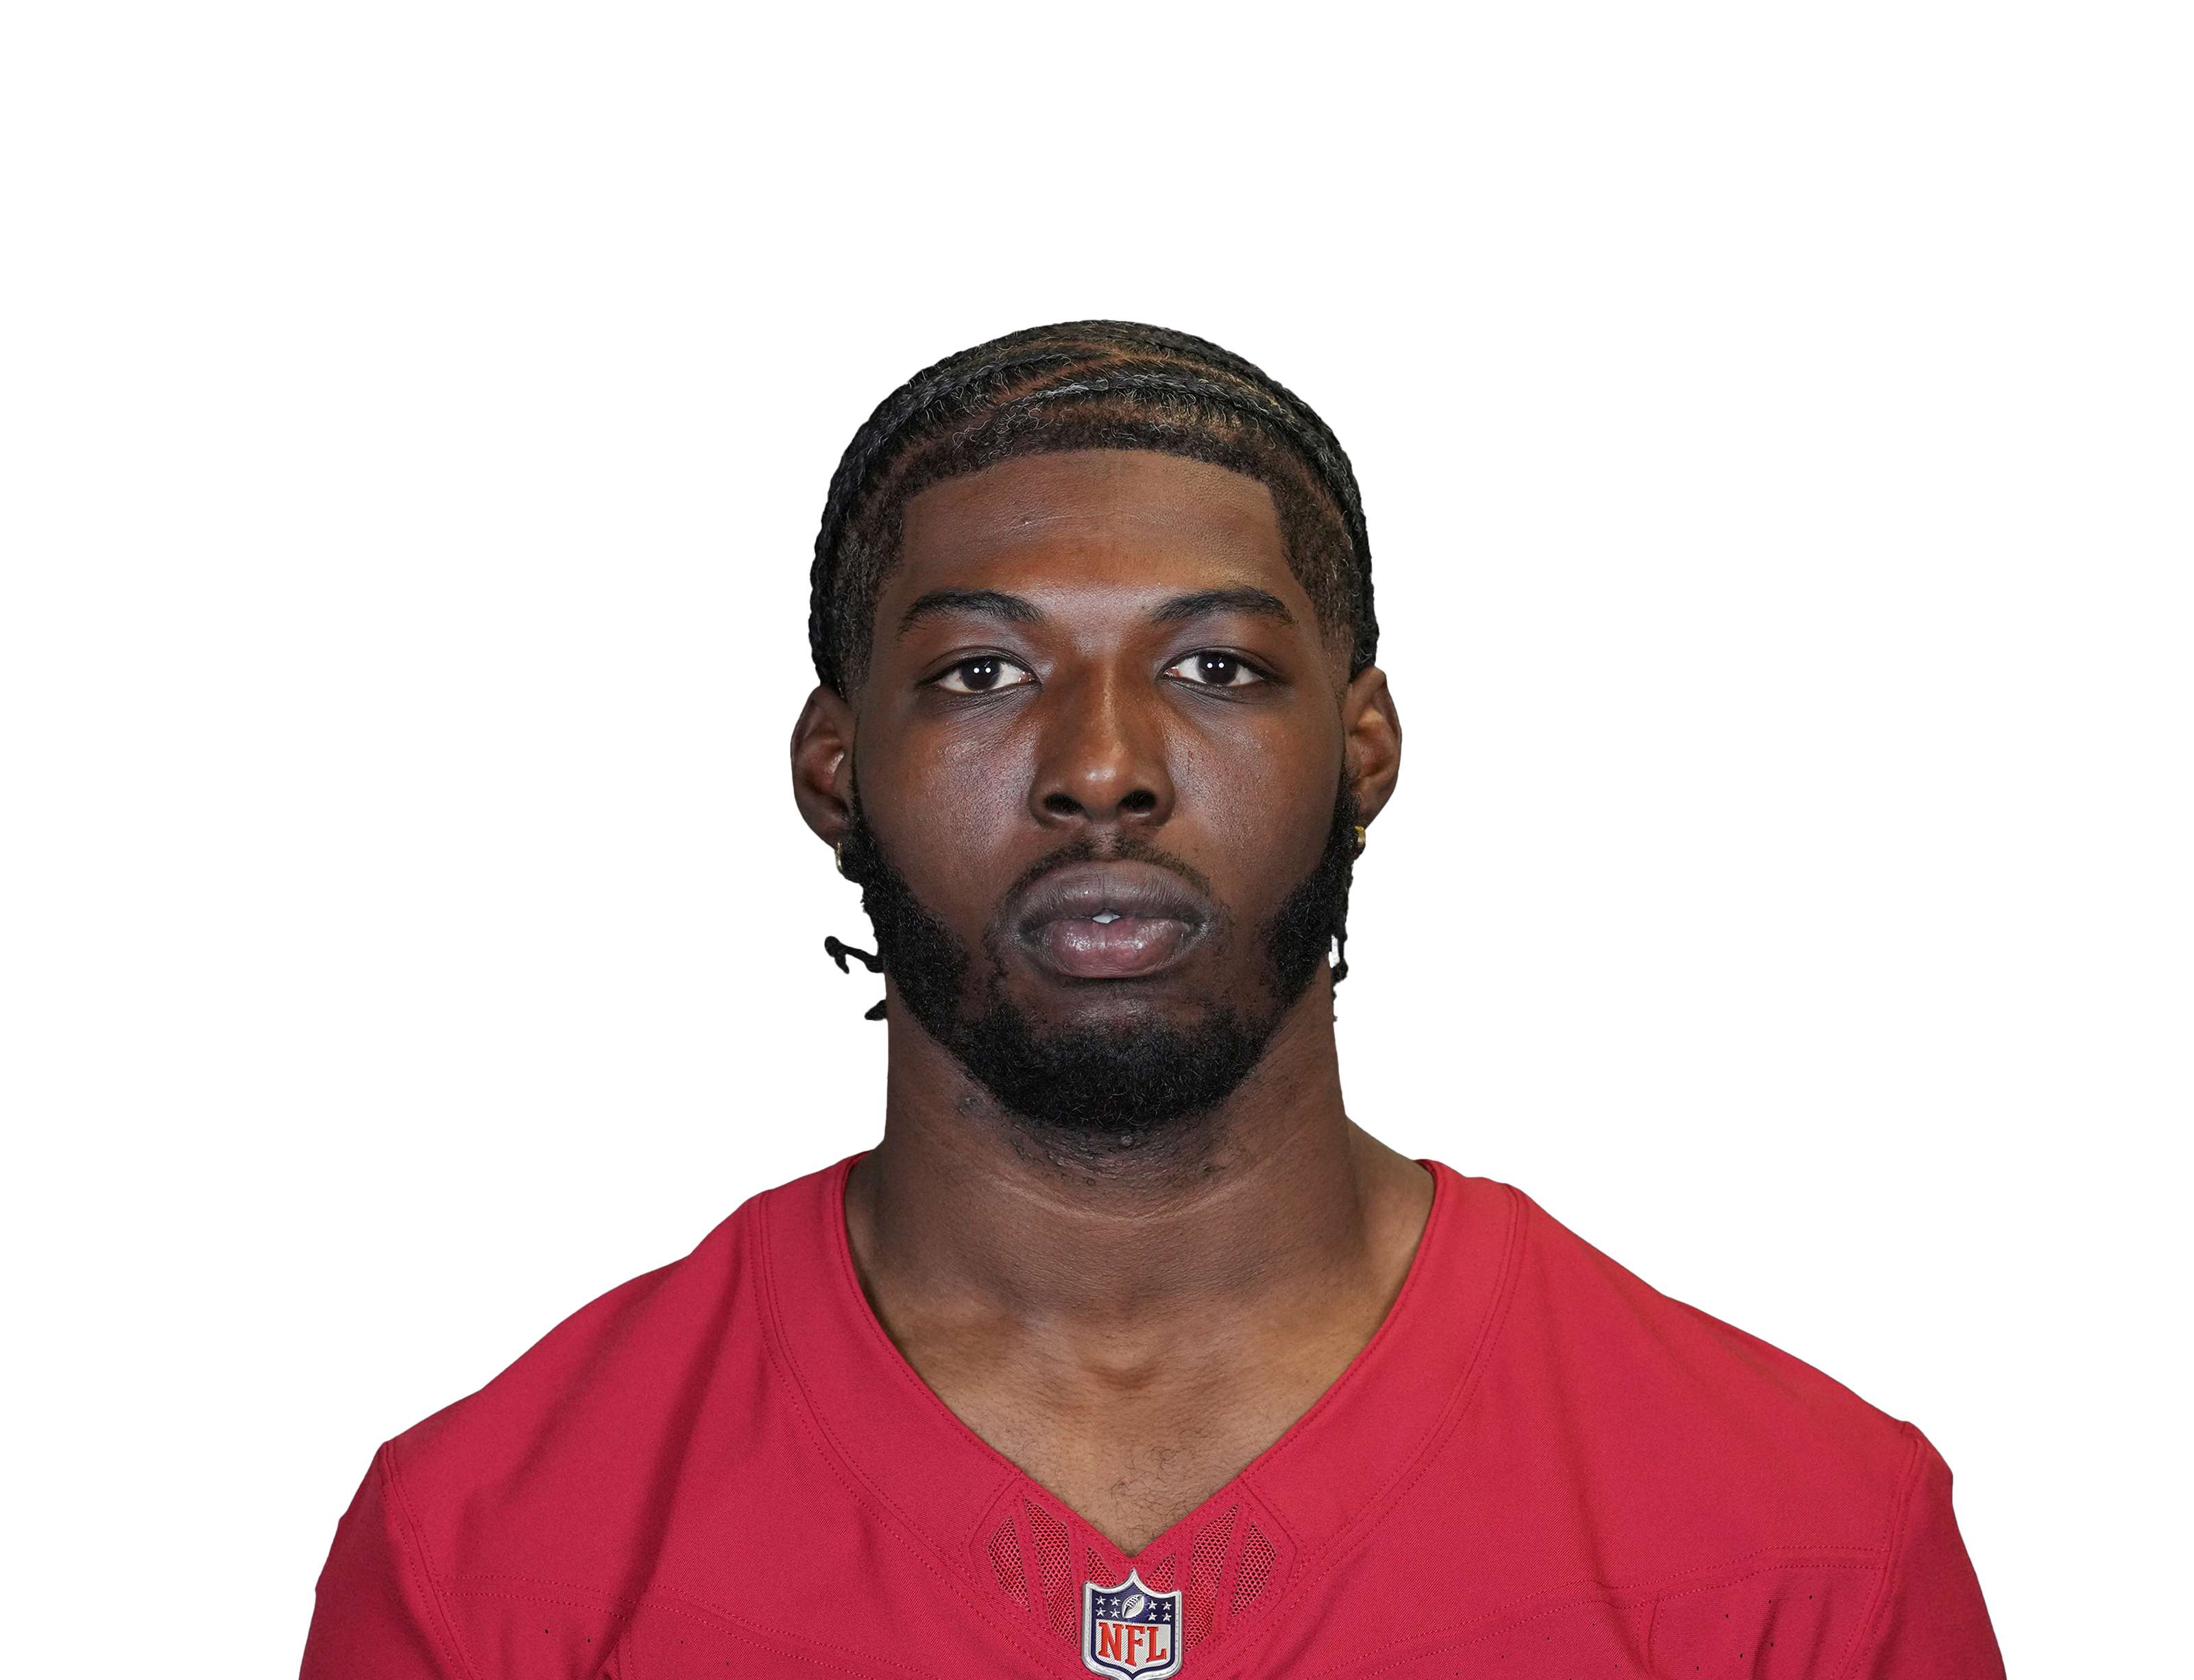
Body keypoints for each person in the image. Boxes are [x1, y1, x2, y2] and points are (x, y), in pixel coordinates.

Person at [303, 322, 2002, 1678]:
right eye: (981, 670)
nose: (1103, 766)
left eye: (1215, 667)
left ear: (1364, 753)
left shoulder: (1811, 1539)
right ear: (834, 773)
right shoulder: (485, 1553)